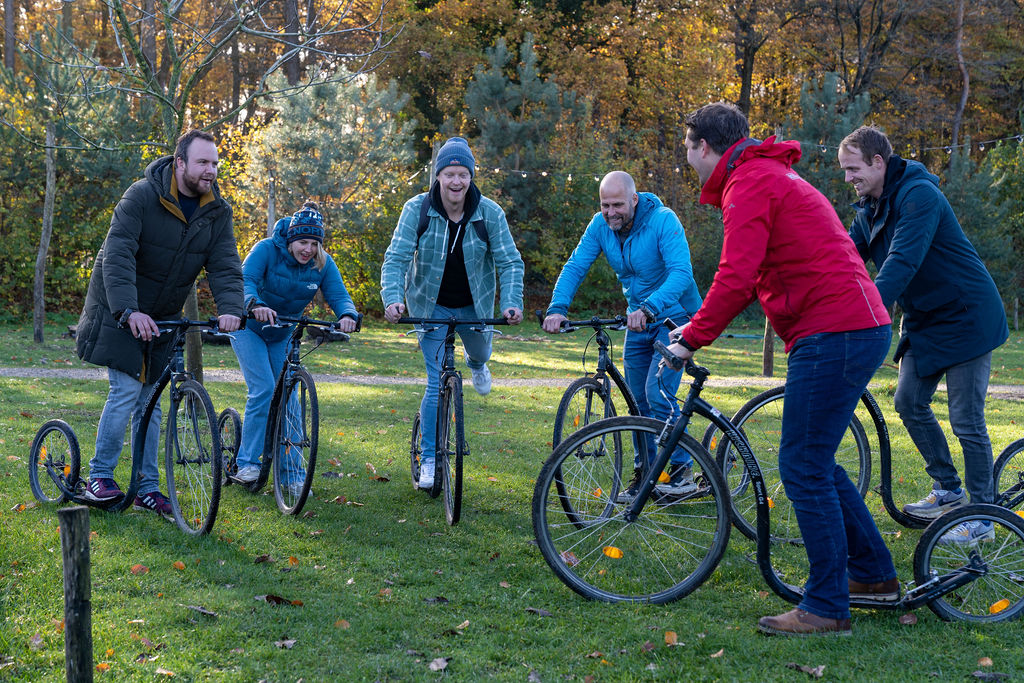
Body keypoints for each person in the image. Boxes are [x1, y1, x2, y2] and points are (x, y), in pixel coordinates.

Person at [667, 102, 896, 636]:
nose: (687, 156)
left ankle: (825, 606)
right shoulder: (765, 174)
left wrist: (692, 339)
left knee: (802, 466)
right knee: (816, 461)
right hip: (846, 325)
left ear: (703, 146)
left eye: (686, 146)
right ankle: (874, 576)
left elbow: (736, 275)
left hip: (836, 328)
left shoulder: (751, 183)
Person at [838, 126, 1009, 543]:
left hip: (967, 315)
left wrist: (865, 312)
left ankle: (983, 519)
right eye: (844, 170)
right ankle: (948, 489)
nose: (848, 178)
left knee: (966, 419)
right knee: (909, 400)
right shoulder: (870, 209)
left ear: (879, 162)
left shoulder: (920, 195)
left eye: (853, 168)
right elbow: (843, 258)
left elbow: (902, 261)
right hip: (926, 320)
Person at [76, 129, 244, 519]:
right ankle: (100, 477)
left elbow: (224, 265)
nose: (211, 170)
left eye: (215, 163)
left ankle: (147, 488)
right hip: (119, 306)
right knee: (126, 391)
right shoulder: (141, 196)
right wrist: (128, 311)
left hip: (163, 315)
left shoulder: (216, 211)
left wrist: (231, 307)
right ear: (180, 162)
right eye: (203, 162)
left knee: (150, 401)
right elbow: (117, 255)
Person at [542, 171, 703, 499]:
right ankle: (645, 474)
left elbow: (681, 274)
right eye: (605, 205)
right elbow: (576, 266)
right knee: (637, 402)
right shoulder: (600, 226)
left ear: (634, 199)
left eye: (617, 204)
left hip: (676, 320)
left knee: (657, 394)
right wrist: (557, 308)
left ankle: (682, 471)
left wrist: (648, 308)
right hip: (638, 323)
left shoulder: (663, 220)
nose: (610, 211)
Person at [381, 136, 524, 490]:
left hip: (474, 305)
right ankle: (429, 460)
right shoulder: (417, 209)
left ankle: (478, 364)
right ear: (438, 177)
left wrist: (511, 302)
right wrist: (392, 299)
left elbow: (509, 262)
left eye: (463, 174)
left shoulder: (489, 213)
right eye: (449, 174)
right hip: (430, 306)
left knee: (480, 352)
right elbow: (396, 259)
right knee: (434, 381)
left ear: (471, 177)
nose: (456, 182)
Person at [230, 202, 360, 493]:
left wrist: (348, 315)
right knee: (264, 388)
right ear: (290, 239)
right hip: (248, 328)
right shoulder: (265, 250)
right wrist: (255, 304)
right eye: (303, 242)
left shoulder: (322, 263)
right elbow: (245, 281)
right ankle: (247, 463)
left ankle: (292, 475)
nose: (308, 249)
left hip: (282, 333)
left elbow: (338, 294)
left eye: (315, 243)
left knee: (290, 399)